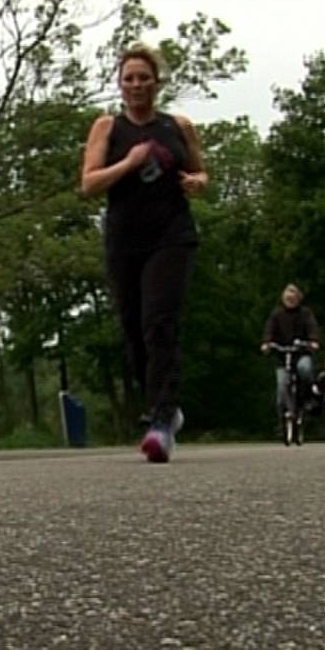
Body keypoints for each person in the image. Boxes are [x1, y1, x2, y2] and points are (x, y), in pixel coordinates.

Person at [79, 43, 208, 464]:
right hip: (124, 239)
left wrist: (198, 181)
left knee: (160, 322)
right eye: (129, 78)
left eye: (144, 77)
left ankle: (160, 419)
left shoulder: (178, 126)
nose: (136, 85)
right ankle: (164, 408)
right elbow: (90, 184)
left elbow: (198, 170)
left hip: (171, 234)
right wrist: (129, 163)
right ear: (120, 85)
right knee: (134, 332)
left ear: (157, 82)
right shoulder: (107, 128)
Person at [260, 284, 321, 431]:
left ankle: (309, 398)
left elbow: (312, 327)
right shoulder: (276, 314)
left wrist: (313, 341)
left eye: (293, 298)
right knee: (281, 387)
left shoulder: (305, 313)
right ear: (283, 299)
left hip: (301, 352)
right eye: (287, 298)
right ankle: (282, 420)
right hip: (282, 356)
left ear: (298, 299)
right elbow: (269, 329)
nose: (290, 301)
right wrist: (267, 343)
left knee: (305, 369)